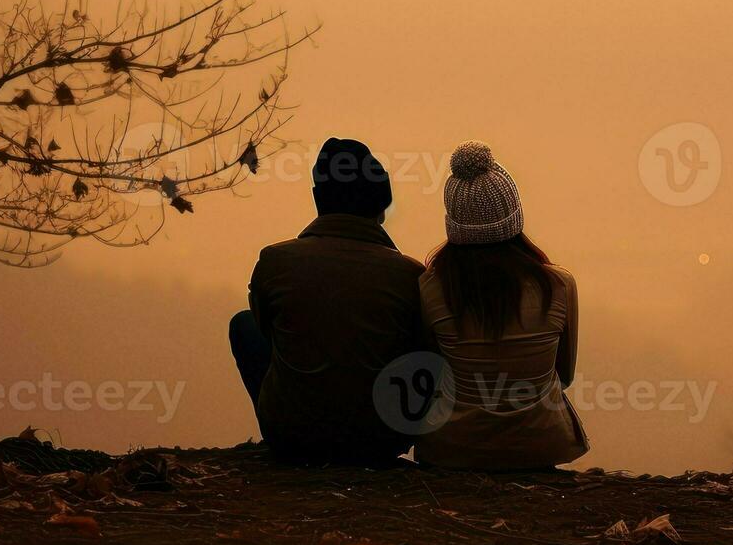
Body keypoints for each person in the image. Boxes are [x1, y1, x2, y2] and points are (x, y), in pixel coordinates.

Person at [229, 138, 426, 463]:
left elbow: (268, 332)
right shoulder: (410, 275)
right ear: (381, 205)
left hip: (293, 438)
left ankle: (285, 429)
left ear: (319, 200)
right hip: (381, 440)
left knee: (244, 324)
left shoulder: (275, 262)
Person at [414, 141, 588, 470]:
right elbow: (563, 375)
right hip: (539, 445)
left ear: (453, 221)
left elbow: (431, 369)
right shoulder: (559, 286)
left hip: (453, 447)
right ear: (514, 216)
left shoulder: (430, 287)